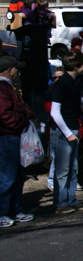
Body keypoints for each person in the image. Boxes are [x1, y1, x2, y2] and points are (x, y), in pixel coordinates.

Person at [50, 51, 83, 214]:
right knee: (62, 170)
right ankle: (61, 203)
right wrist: (68, 133)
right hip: (63, 131)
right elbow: (55, 112)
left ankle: (71, 199)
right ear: (76, 66)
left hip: (73, 128)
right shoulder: (61, 84)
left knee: (73, 167)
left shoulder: (74, 83)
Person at [0, 56, 36, 227]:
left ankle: (14, 210)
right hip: (7, 137)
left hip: (15, 136)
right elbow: (4, 116)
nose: (18, 72)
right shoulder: (2, 88)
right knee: (6, 177)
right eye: (16, 69)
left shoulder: (9, 87)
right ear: (9, 70)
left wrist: (27, 114)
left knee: (17, 176)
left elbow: (22, 107)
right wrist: (24, 120)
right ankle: (2, 213)